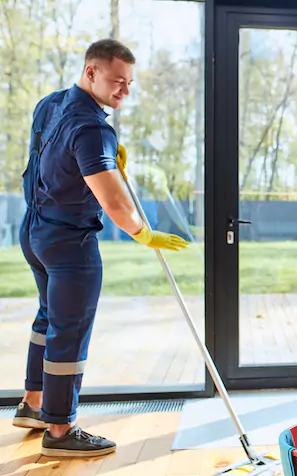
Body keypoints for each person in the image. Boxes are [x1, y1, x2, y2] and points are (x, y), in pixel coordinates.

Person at [13, 39, 189, 457]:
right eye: (117, 81)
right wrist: (144, 233)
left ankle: (33, 404)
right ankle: (60, 430)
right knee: (68, 334)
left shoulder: (50, 103)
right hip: (70, 244)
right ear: (91, 72)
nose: (125, 90)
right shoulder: (93, 128)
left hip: (35, 231)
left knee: (48, 319)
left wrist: (106, 157)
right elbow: (114, 202)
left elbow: (54, 160)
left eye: (129, 82)